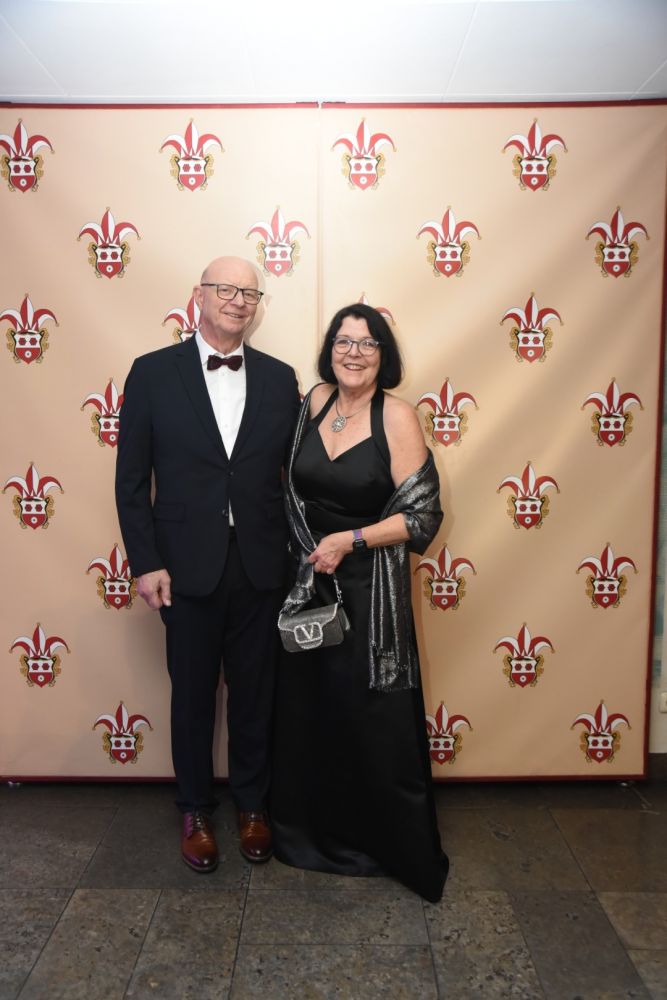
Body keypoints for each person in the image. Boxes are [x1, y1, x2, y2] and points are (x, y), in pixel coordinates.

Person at [115, 256, 300, 873]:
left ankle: (252, 805)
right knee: (192, 695)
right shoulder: (151, 373)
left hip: (260, 564)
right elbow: (131, 481)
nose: (238, 300)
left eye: (249, 292)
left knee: (255, 694)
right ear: (198, 295)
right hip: (183, 565)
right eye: (226, 288)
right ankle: (194, 808)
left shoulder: (280, 378)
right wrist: (145, 563)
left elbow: (296, 477)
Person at [271, 303, 448, 903]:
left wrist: (348, 541)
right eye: (343, 342)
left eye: (367, 344)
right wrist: (310, 551)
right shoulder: (314, 401)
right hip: (308, 578)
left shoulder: (397, 416)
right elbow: (289, 490)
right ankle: (308, 837)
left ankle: (381, 845)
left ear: (383, 355)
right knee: (310, 708)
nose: (354, 353)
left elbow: (422, 518)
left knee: (368, 713)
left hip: (370, 588)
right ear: (330, 350)